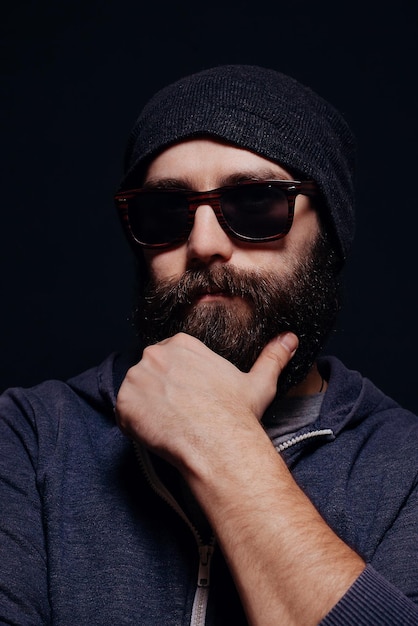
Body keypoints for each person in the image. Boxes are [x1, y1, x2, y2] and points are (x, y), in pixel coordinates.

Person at [1, 64, 418, 626]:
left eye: (256, 203)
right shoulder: (27, 438)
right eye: (165, 212)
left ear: (330, 235)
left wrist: (223, 442)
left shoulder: (407, 466)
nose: (203, 243)